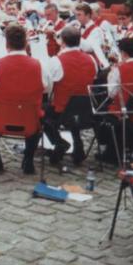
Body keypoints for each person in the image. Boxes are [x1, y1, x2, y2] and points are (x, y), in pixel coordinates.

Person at [0, 22, 53, 175]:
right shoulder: (40, 66)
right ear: (26, 43)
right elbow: (47, 89)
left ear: (6, 43)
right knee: (40, 113)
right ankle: (29, 159)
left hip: (0, 119)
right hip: (29, 119)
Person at [44, 26, 98, 168]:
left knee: (41, 113)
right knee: (74, 104)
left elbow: (48, 87)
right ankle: (78, 145)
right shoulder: (91, 59)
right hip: (86, 109)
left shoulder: (57, 60)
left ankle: (59, 143)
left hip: (63, 109)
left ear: (62, 41)